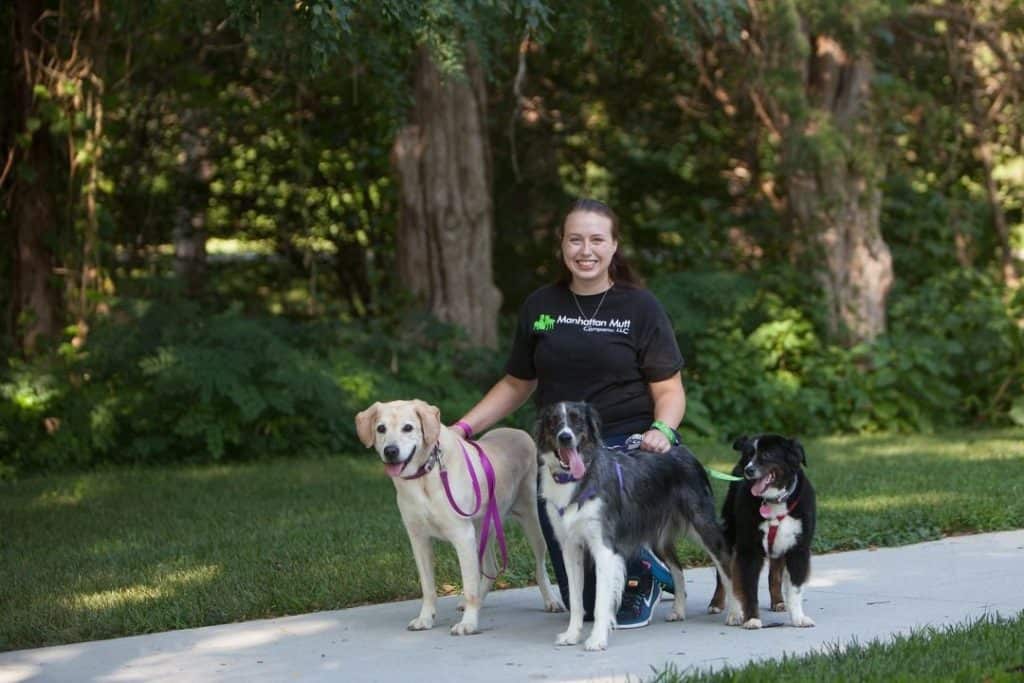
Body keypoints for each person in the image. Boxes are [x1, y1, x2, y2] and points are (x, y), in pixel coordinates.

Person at [452, 197, 686, 629]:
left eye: (597, 239)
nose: (586, 250)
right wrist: (463, 429)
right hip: (562, 450)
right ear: (561, 245)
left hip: (624, 446)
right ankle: (642, 558)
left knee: (609, 578)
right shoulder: (541, 307)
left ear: (614, 246)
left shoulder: (640, 307)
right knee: (580, 590)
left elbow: (669, 389)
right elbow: (517, 384)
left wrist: (662, 430)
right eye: (575, 239)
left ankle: (642, 573)